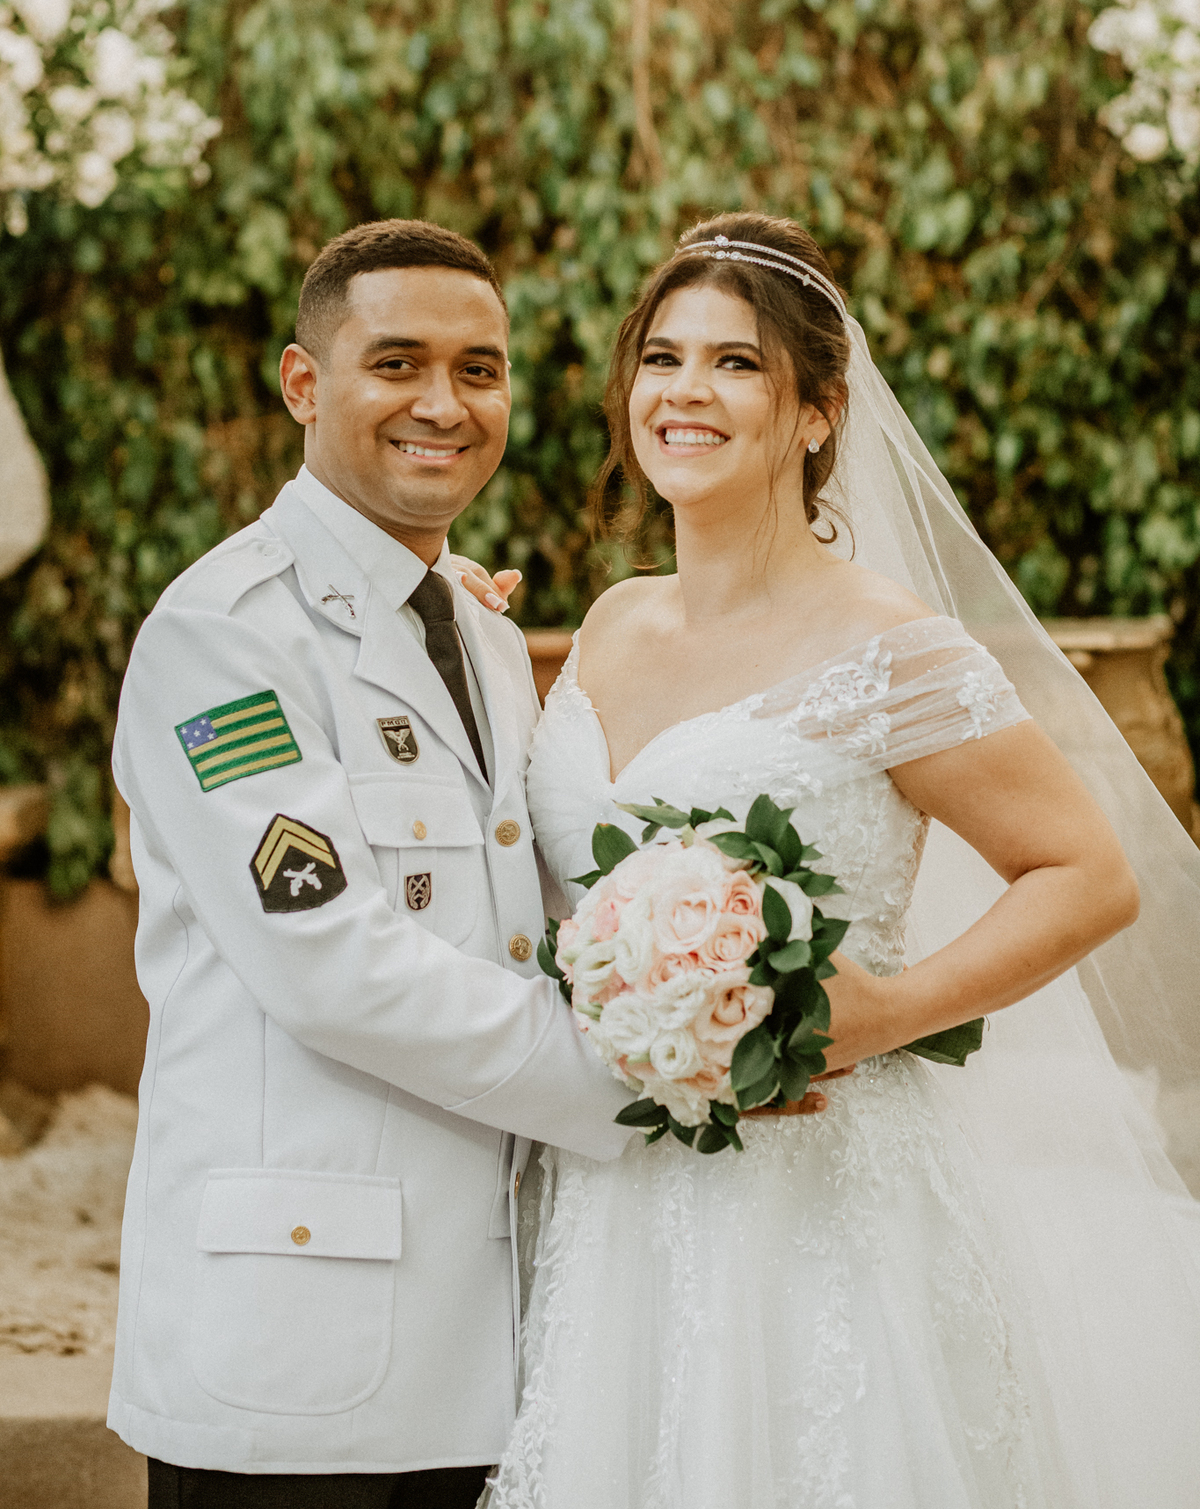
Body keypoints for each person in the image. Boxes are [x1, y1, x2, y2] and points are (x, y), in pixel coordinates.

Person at [486, 212, 1200, 1508]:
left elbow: (1090, 873)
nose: (685, 391)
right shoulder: (610, 621)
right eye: (663, 358)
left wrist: (886, 1013)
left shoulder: (890, 647)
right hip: (616, 1192)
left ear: (818, 413)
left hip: (820, 1203)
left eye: (736, 363)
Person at [107, 220, 644, 1508]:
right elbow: (329, 961)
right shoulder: (224, 635)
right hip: (296, 1343)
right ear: (304, 383)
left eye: (480, 370)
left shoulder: (483, 630)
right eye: (397, 363)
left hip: (487, 1331)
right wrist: (638, 1086)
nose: (444, 405)